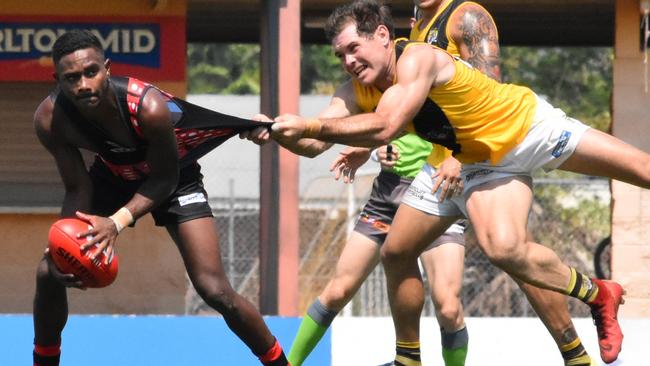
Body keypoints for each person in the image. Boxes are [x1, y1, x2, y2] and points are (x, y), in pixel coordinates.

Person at [265, 1, 639, 364]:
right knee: (417, 251)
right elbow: (315, 143)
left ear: (382, 35)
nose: (348, 61)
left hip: (526, 130)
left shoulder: (426, 47)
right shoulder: (371, 73)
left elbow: (385, 125)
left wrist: (315, 126)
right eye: (340, 56)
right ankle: (409, 358)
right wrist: (275, 130)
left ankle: (581, 340)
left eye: (353, 49)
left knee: (639, 169)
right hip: (473, 160)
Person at [32, 30, 290, 366]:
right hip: (113, 176)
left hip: (173, 179)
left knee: (214, 290)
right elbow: (77, 188)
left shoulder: (149, 107)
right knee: (48, 269)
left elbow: (165, 179)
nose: (83, 84)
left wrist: (116, 222)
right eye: (71, 78)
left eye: (90, 72)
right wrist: (65, 245)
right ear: (57, 80)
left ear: (107, 68)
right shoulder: (51, 118)